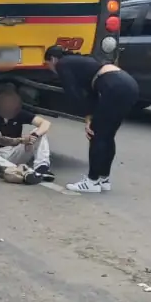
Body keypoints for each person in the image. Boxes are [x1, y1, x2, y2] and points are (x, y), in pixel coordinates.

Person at [45, 45, 140, 193]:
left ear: (52, 59)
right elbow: (92, 92)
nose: (50, 68)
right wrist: (90, 115)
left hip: (114, 87)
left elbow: (73, 93)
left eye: (48, 65)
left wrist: (87, 117)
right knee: (107, 136)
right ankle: (104, 179)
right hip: (129, 85)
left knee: (96, 135)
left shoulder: (62, 64)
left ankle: (92, 181)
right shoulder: (81, 61)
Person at [0, 82, 54, 184]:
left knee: (40, 133)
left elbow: (45, 123)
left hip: (15, 150)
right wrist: (22, 140)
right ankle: (21, 171)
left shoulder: (19, 112)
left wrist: (34, 136)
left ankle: (41, 169)